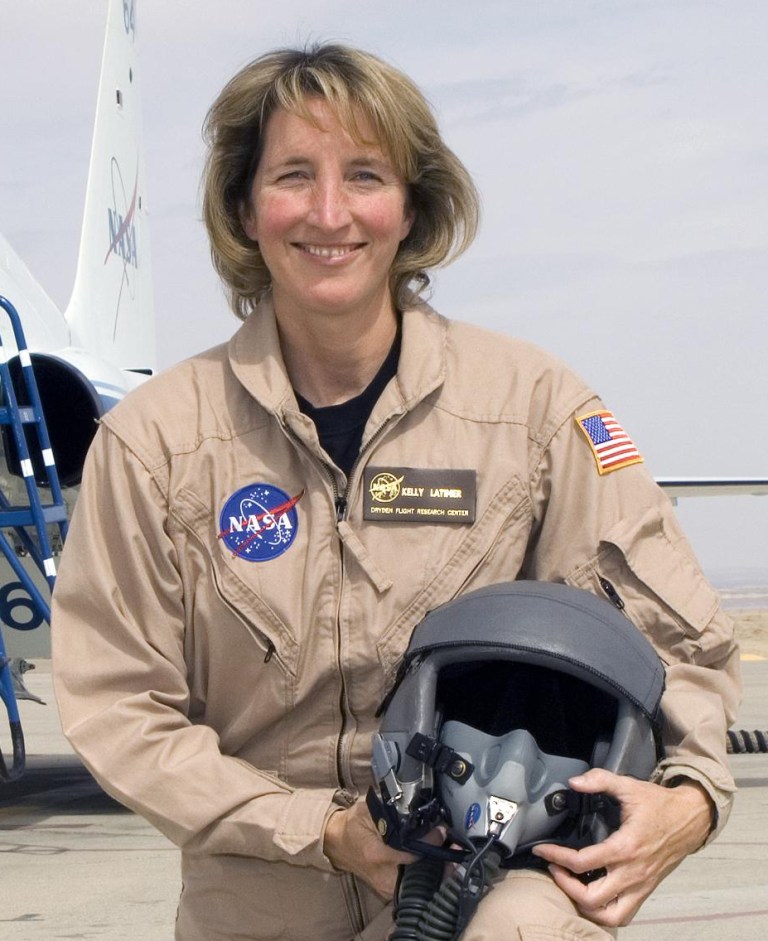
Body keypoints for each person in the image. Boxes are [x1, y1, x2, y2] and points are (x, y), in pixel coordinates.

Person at [52, 43, 740, 941]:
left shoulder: (533, 412)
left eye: (365, 175)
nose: (330, 212)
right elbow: (120, 707)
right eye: (293, 175)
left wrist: (692, 800)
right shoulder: (154, 442)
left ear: (411, 206)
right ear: (244, 208)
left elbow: (672, 640)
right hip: (260, 893)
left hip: (486, 882)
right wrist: (325, 831)